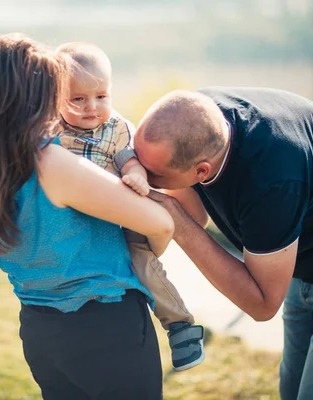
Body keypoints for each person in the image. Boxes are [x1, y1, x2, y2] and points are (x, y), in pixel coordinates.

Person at [132, 87, 313, 400]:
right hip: (304, 246)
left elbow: (262, 304)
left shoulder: (271, 183)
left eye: (153, 174)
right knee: (291, 391)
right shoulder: (193, 119)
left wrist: (181, 228)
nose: (143, 176)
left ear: (202, 170)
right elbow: (195, 212)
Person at [0, 33, 172, 400]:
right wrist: (146, 256)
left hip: (40, 331)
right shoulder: (51, 164)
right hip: (106, 328)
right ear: (28, 99)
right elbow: (161, 223)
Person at [54, 41, 204, 371]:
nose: (92, 107)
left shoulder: (117, 128)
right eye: (78, 99)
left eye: (101, 96)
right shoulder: (52, 130)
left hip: (121, 212)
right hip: (74, 215)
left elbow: (130, 162)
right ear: (55, 98)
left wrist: (135, 176)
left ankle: (180, 327)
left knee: (143, 261)